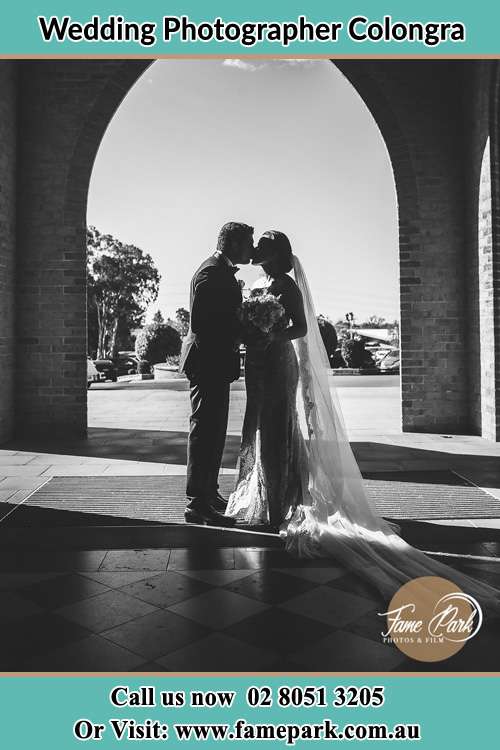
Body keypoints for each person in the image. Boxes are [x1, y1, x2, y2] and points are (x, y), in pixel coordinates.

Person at [226, 230, 500, 614]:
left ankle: (278, 507)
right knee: (259, 428)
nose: (256, 250)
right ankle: (266, 497)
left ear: (276, 253)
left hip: (278, 362)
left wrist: (271, 334)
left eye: (263, 247)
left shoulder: (286, 286)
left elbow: (302, 329)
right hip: (259, 364)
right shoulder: (259, 283)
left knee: (278, 430)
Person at [179, 221, 254, 526]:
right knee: (204, 432)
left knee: (214, 432)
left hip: (215, 365)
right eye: (248, 243)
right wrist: (243, 332)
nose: (251, 249)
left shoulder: (219, 272)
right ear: (234, 244)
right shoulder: (210, 273)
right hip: (207, 364)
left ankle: (209, 493)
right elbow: (202, 324)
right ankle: (197, 504)